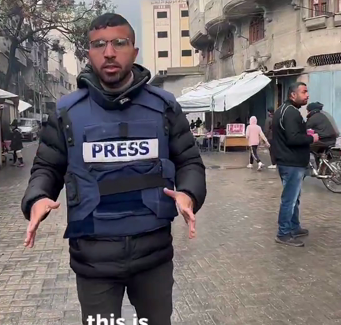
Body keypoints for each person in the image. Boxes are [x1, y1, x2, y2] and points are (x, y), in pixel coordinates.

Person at [21, 13, 207, 325]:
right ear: (89, 52)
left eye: (119, 43)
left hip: (154, 257)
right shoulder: (68, 112)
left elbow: (189, 161)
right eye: (99, 45)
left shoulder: (165, 107)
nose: (109, 52)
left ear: (134, 51)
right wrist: (37, 197)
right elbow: (47, 167)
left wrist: (188, 193)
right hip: (93, 262)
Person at [271, 82, 319, 247]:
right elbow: (293, 138)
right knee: (289, 199)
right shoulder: (290, 113)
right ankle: (283, 233)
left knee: (294, 198)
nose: (307, 95)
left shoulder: (284, 111)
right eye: (304, 92)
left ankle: (294, 226)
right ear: (293, 95)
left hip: (289, 161)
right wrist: (311, 138)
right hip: (291, 163)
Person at [305, 102, 340, 168]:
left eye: (308, 110)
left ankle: (309, 167)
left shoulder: (314, 117)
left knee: (305, 146)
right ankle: (322, 167)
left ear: (311, 110)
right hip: (332, 139)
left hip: (324, 140)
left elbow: (304, 127)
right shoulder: (324, 114)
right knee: (318, 151)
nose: (307, 112)